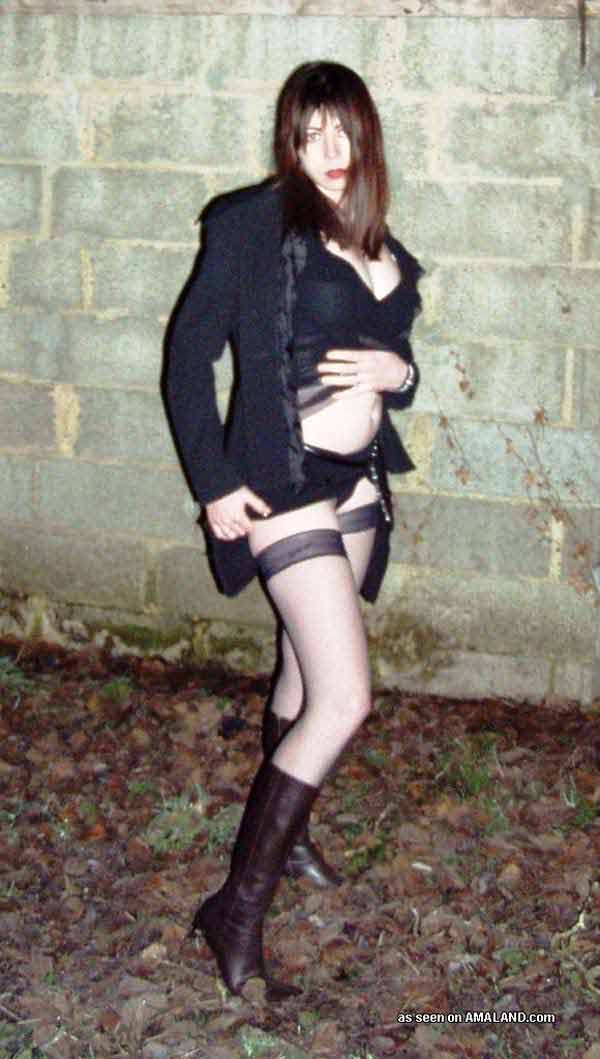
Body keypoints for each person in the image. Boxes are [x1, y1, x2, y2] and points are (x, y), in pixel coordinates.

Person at [163, 60, 424, 1002]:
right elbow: (187, 359)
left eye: (342, 131)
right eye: (310, 134)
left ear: (366, 135)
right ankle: (236, 909)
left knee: (304, 670)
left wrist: (402, 376)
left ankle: (294, 832)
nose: (329, 150)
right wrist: (214, 481)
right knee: (345, 698)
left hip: (356, 482)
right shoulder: (252, 225)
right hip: (285, 481)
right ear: (289, 140)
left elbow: (395, 358)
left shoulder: (377, 238)